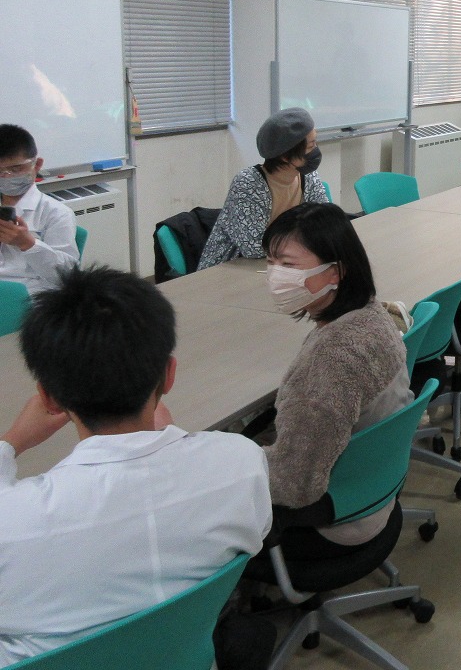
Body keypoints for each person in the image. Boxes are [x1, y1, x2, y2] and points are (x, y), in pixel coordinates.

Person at [0, 266, 271, 664]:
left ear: (48, 397)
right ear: (169, 374)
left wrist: (10, 442)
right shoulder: (243, 463)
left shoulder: (13, 523)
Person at [259, 202, 413, 550]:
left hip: (336, 520)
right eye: (270, 262)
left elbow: (294, 484)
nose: (275, 276)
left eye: (288, 265)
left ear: (335, 273)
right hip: (371, 492)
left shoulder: (331, 358)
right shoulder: (373, 316)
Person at [198, 107, 328, 270]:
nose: (316, 150)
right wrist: (307, 238)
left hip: (280, 264)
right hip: (229, 269)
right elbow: (253, 247)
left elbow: (326, 221)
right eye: (311, 145)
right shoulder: (248, 183)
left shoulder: (307, 176)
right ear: (285, 156)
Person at [0, 125, 77, 295]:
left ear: (37, 165)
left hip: (31, 295)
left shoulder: (56, 213)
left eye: (15, 169)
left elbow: (68, 275)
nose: (6, 176)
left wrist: (28, 243)